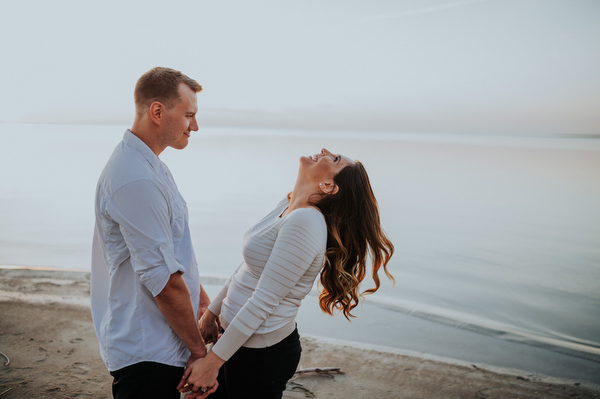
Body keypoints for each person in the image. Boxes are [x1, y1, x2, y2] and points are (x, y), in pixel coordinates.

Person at [178, 149, 395, 398]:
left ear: (328, 186)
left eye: (334, 159)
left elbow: (264, 301)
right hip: (232, 341)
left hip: (260, 355)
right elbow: (248, 267)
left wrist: (212, 362)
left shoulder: (306, 222)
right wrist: (211, 315)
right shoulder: (289, 204)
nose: (325, 151)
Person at [90, 67, 217, 399]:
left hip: (160, 345)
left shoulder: (151, 167)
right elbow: (162, 281)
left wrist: (202, 301)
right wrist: (200, 355)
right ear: (158, 112)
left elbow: (171, 253)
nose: (195, 126)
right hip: (148, 352)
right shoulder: (136, 178)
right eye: (189, 115)